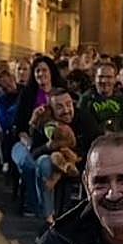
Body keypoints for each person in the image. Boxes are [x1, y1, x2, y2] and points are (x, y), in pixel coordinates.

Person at [14, 90, 98, 224]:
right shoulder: (45, 122)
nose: (66, 110)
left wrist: (77, 156)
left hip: (79, 162)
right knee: (44, 163)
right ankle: (48, 218)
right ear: (51, 109)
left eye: (69, 104)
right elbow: (34, 153)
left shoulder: (85, 118)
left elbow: (96, 146)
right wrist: (49, 146)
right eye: (59, 107)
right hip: (53, 163)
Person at [81, 62, 123, 133]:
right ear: (94, 78)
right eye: (101, 77)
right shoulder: (86, 99)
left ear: (115, 79)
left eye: (109, 77)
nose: (104, 81)